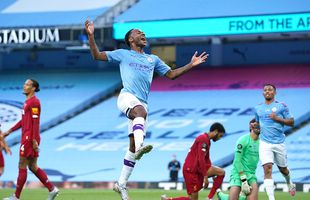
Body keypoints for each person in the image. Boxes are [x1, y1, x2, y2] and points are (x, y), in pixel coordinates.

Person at [85, 20, 209, 200]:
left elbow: (172, 75)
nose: (143, 35)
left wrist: (191, 64)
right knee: (140, 115)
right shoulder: (122, 54)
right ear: (130, 39)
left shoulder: (153, 59)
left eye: (144, 33)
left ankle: (121, 183)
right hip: (127, 97)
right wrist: (90, 35)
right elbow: (96, 55)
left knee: (132, 146)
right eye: (139, 33)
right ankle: (141, 146)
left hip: (143, 103)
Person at [1, 79, 59, 200]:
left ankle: (16, 196)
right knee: (32, 166)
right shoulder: (27, 102)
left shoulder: (35, 102)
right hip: (28, 137)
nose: (24, 86)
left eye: (27, 84)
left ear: (33, 88)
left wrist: (33, 140)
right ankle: (52, 189)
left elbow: (35, 122)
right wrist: (9, 131)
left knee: (22, 164)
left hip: (29, 138)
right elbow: (23, 121)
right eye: (24, 84)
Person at [161, 122, 226, 200]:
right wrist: (205, 176)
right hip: (191, 171)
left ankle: (209, 197)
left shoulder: (206, 140)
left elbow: (206, 159)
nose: (220, 138)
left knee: (221, 172)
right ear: (215, 131)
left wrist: (212, 172)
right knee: (193, 199)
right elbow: (200, 158)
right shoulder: (203, 139)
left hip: (196, 169)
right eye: (220, 136)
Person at [254, 83, 296, 200]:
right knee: (267, 169)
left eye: (270, 90)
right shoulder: (258, 108)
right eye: (265, 90)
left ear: (275, 93)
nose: (267, 91)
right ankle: (271, 198)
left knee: (283, 169)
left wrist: (277, 118)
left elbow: (292, 122)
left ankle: (289, 182)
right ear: (263, 93)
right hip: (264, 143)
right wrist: (255, 127)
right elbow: (257, 123)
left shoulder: (282, 106)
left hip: (279, 142)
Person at [217, 119, 260, 200]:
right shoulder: (243, 140)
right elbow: (237, 161)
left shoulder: (262, 143)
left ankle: (225, 197)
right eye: (257, 125)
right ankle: (225, 197)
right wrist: (243, 180)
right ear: (251, 126)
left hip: (251, 175)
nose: (259, 127)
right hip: (238, 173)